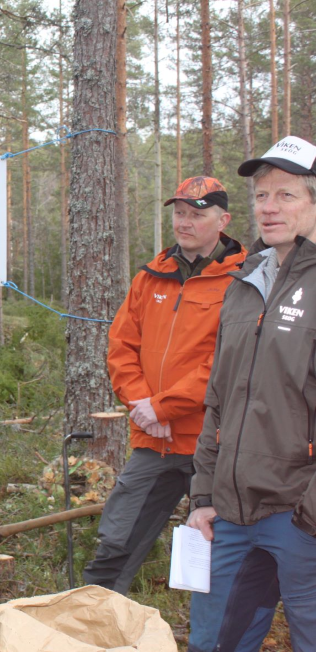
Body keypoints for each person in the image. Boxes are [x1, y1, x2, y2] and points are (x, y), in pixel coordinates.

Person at [83, 177, 246, 594]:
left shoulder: (243, 281)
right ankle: (92, 618)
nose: (185, 223)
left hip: (218, 442)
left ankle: (212, 634)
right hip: (155, 438)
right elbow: (121, 344)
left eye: (197, 214)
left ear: (222, 219)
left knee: (223, 549)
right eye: (179, 213)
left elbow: (228, 361)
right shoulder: (151, 276)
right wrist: (142, 405)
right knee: (116, 538)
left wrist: (164, 407)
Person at [187, 136, 316, 652]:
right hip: (230, 514)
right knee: (215, 641)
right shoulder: (245, 283)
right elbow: (218, 397)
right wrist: (202, 495)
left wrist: (309, 514)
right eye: (261, 196)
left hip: (299, 514)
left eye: (285, 195)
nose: (268, 207)